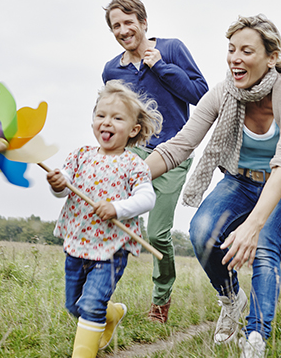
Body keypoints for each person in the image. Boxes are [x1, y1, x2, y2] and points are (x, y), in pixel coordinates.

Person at [145, 14, 281, 358]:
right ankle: (232, 299)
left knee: (264, 242)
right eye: (231, 49)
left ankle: (255, 339)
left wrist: (252, 225)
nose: (235, 57)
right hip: (240, 180)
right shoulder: (223, 93)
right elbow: (180, 145)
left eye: (246, 50)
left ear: (271, 57)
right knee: (202, 232)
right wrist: (128, 176)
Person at [102, 0, 208, 323]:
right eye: (115, 26)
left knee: (158, 233)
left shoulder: (172, 48)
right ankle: (98, 297)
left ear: (143, 23)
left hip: (174, 153)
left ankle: (161, 301)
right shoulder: (111, 71)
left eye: (128, 22)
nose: (123, 30)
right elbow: (113, 117)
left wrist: (160, 66)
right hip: (133, 154)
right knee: (109, 219)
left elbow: (201, 95)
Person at [48, 80, 162, 358]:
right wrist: (57, 184)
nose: (106, 122)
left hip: (111, 248)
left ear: (134, 129)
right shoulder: (79, 156)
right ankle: (111, 313)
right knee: (74, 305)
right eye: (100, 115)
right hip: (77, 243)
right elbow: (61, 192)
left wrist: (117, 208)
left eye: (117, 118)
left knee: (90, 306)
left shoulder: (133, 164)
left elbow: (148, 198)